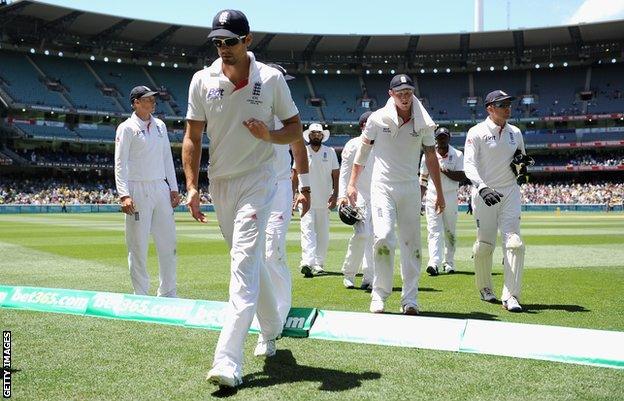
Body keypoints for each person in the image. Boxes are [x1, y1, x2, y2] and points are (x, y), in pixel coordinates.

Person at [182, 9, 303, 388]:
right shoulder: (202, 80)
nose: (223, 48)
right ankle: (272, 327)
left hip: (259, 180)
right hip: (221, 183)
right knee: (250, 265)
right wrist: (191, 186)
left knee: (242, 265)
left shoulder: (271, 79)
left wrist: (269, 137)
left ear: (248, 40)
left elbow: (295, 128)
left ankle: (227, 361)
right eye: (217, 41)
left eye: (230, 41)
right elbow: (192, 137)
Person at [347, 74, 445, 315]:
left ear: (413, 93)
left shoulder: (422, 121)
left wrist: (439, 193)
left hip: (410, 187)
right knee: (383, 237)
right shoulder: (377, 119)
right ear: (391, 94)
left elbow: (431, 157)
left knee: (412, 244)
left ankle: (410, 299)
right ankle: (379, 294)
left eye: (408, 92)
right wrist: (351, 183)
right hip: (382, 186)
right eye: (399, 92)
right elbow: (363, 152)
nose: (404, 97)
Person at [464, 89, 529, 312]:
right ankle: (485, 288)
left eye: (509, 104)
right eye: (502, 105)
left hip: (510, 193)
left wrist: (522, 168)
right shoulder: (477, 132)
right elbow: (469, 165)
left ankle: (511, 296)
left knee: (514, 243)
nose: (507, 108)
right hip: (485, 194)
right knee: (485, 245)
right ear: (490, 108)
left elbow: (520, 160)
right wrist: (481, 188)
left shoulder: (516, 133)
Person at [114, 85, 180, 297]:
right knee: (138, 246)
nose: (153, 102)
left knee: (168, 243)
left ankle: (169, 292)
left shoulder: (160, 125)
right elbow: (120, 163)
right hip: (137, 188)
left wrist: (174, 188)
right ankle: (141, 295)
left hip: (160, 187)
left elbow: (167, 158)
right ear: (135, 103)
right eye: (147, 99)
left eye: (153, 99)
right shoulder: (126, 128)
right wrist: (124, 194)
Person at [263, 63, 310, 328]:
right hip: (252, 184)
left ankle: (279, 316)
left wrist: (304, 188)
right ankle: (255, 311)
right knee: (250, 254)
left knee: (273, 250)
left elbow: (299, 150)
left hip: (280, 185)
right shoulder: (250, 105)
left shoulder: (288, 110)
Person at [294, 123, 339, 278]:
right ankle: (307, 262)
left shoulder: (330, 151)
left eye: (319, 133)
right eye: (313, 133)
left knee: (322, 233)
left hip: (324, 199)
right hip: (306, 199)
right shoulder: (303, 151)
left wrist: (335, 194)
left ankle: (319, 263)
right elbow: (295, 173)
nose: (316, 136)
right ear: (309, 135)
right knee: (307, 231)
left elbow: (336, 174)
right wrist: (293, 193)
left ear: (322, 135)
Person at [420, 127, 466, 276]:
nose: (442, 140)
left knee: (450, 231)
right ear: (435, 139)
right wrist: (419, 199)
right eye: (439, 137)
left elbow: (462, 176)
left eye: (444, 137)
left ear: (449, 138)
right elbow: (423, 179)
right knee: (433, 230)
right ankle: (434, 262)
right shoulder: (428, 154)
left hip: (451, 195)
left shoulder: (457, 154)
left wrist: (446, 171)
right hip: (433, 195)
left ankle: (449, 262)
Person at [338, 111, 374, 290]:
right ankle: (349, 273)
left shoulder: (383, 144)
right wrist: (342, 196)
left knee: (376, 237)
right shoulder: (352, 145)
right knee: (361, 234)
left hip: (378, 195)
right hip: (358, 195)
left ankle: (370, 277)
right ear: (362, 126)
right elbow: (345, 172)